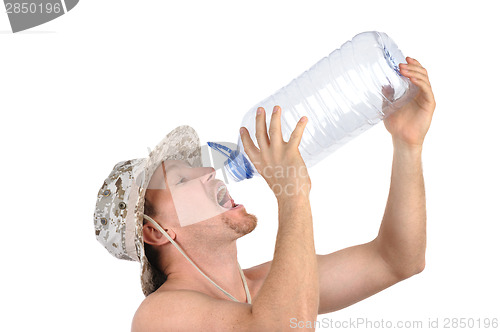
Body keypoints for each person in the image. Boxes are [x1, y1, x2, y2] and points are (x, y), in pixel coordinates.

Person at [94, 57, 435, 331]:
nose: (210, 171)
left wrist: (407, 144)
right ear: (157, 231)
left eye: (197, 168)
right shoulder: (158, 317)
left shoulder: (265, 286)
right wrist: (293, 195)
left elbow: (396, 260)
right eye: (183, 181)